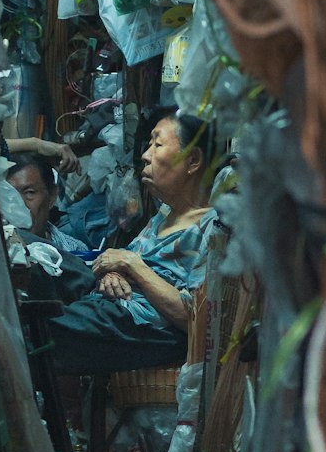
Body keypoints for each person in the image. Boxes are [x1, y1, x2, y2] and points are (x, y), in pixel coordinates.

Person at [49, 110, 217, 374]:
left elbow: (195, 319)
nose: (145, 155)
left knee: (43, 330)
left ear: (193, 161)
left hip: (141, 324)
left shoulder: (213, 227)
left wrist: (132, 265)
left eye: (157, 144)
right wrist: (113, 271)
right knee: (41, 257)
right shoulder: (164, 213)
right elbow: (121, 259)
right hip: (108, 301)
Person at [6, 152, 86, 255]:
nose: (19, 205)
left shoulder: (75, 252)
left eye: (29, 193)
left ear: (52, 196)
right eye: (9, 195)